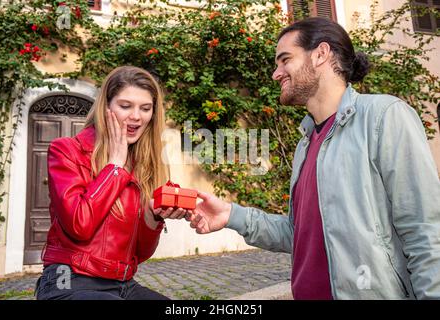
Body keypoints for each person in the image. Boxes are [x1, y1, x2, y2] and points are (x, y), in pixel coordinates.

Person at [186, 17, 440, 299]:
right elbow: (299, 234)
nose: (276, 73)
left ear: (321, 54)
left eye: (285, 60)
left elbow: (425, 232)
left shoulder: (383, 116)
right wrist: (232, 215)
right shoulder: (306, 143)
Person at [36, 66, 187, 300]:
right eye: (125, 106)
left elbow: (140, 253)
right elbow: (79, 225)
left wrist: (152, 216)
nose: (136, 116)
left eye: (145, 108)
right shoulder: (66, 150)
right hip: (68, 280)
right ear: (106, 108)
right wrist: (115, 167)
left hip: (123, 285)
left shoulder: (143, 165)